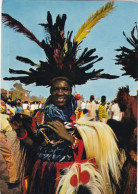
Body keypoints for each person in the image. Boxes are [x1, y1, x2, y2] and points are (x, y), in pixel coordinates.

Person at [3, 3, 121, 193]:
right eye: (56, 89)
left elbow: (93, 151)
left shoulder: (79, 117)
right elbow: (36, 148)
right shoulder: (40, 117)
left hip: (69, 177)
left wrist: (69, 138)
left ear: (70, 90)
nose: (60, 93)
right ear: (50, 91)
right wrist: (21, 133)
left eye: (65, 89)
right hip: (42, 173)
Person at [0, 100, 20, 189]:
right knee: (9, 156)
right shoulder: (1, 105)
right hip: (0, 134)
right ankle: (13, 180)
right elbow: (12, 112)